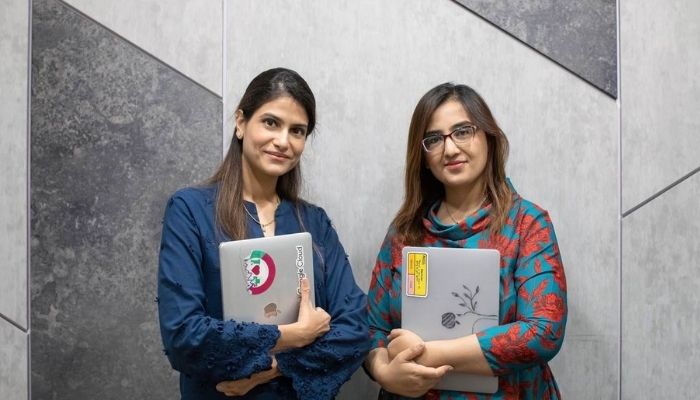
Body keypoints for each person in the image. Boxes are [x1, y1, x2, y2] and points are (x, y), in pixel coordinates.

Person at [158, 67, 370, 399]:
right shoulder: (191, 210)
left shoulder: (315, 223)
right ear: (241, 122)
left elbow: (356, 328)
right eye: (271, 122)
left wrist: (273, 368)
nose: (283, 141)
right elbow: (184, 335)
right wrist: (291, 335)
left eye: (297, 130)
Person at [364, 83, 567, 399]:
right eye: (434, 139)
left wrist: (430, 355)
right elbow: (372, 329)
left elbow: (543, 332)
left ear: (489, 137)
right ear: (423, 156)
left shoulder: (527, 224)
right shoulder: (405, 232)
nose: (450, 149)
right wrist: (384, 372)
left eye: (462, 131)